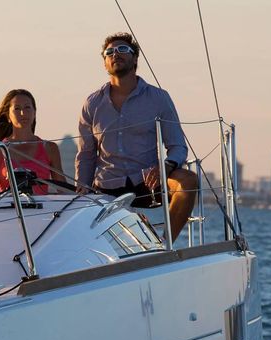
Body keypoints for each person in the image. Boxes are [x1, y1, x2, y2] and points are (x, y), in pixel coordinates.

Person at [75, 33, 198, 242]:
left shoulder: (159, 98)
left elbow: (178, 147)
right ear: (105, 62)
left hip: (148, 182)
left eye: (123, 50)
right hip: (107, 185)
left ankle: (164, 244)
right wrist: (81, 193)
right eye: (110, 52)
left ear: (135, 59)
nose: (116, 54)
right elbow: (86, 155)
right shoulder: (92, 103)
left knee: (189, 181)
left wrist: (165, 167)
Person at [0, 89, 64, 196]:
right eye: (17, 108)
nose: (23, 113)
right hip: (8, 211)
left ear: (34, 112)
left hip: (42, 211)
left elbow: (63, 190)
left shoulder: (50, 148)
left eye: (27, 107)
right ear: (8, 116)